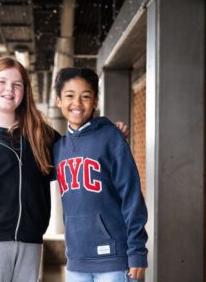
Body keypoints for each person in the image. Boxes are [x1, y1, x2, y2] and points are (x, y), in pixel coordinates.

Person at [0, 57, 130, 282]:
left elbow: (78, 145)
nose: (9, 89)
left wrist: (108, 131)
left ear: (25, 91)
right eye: (1, 82)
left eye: (17, 84)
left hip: (30, 247)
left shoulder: (40, 135)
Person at [53, 67, 148, 282]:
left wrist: (137, 252)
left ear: (95, 101)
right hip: (76, 259)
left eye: (86, 96)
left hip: (114, 258)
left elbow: (131, 197)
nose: (77, 103)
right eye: (69, 95)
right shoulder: (58, 148)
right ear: (58, 100)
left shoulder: (111, 138)